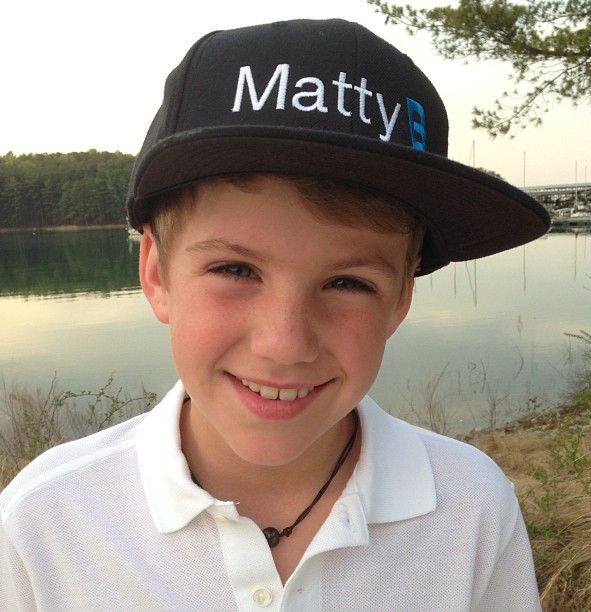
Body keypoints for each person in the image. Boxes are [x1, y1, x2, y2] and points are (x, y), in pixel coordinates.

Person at [1, 18, 549, 611]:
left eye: (347, 282)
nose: (285, 343)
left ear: (400, 300)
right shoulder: (46, 522)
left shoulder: (472, 507)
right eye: (236, 270)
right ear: (157, 273)